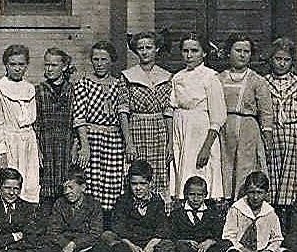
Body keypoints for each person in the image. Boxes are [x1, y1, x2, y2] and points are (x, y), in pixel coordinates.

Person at [73, 41, 131, 212]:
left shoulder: (119, 83)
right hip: (91, 138)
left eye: (104, 59)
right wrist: (84, 146)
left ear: (111, 61)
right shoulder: (84, 83)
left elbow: (123, 113)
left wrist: (127, 143)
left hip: (114, 140)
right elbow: (79, 117)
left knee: (112, 183)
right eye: (96, 59)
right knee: (91, 183)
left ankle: (108, 225)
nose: (99, 64)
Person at [168, 34, 227, 201]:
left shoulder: (211, 77)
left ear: (204, 53)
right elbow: (173, 106)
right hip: (181, 130)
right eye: (185, 51)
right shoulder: (177, 77)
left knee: (201, 171)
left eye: (194, 51)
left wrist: (206, 147)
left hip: (201, 133)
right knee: (182, 171)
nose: (189, 55)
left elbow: (218, 117)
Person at [216, 34, 274, 200]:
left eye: (246, 51)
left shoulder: (257, 80)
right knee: (225, 165)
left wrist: (267, 135)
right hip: (224, 128)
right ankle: (225, 203)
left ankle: (242, 201)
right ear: (229, 52)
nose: (242, 55)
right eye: (238, 50)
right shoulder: (219, 78)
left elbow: (266, 111)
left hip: (248, 128)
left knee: (245, 166)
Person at [265, 38, 297, 212]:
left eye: (286, 60)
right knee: (272, 180)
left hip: (295, 139)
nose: (282, 63)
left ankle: (292, 224)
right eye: (278, 59)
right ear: (271, 59)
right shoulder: (264, 83)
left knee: (293, 183)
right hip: (273, 137)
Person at [122, 31, 173, 202]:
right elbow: (123, 111)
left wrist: (170, 143)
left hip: (158, 130)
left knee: (158, 173)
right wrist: (129, 142)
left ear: (156, 49)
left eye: (148, 48)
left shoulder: (166, 76)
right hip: (137, 128)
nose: (144, 51)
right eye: (140, 48)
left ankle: (158, 213)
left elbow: (168, 111)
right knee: (136, 171)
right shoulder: (127, 76)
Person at [221, 171, 297, 252]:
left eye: (259, 193)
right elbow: (228, 237)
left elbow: (277, 238)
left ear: (266, 193)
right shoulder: (237, 209)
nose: (255, 197)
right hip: (242, 251)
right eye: (252, 192)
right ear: (246, 192)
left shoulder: (269, 212)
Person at [0, 45, 41, 203]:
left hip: (29, 142)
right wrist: (2, 153)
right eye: (13, 64)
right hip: (10, 141)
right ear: (6, 65)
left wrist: (37, 147)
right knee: (9, 182)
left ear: (26, 65)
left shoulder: (30, 88)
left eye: (21, 64)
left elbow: (33, 122)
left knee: (30, 183)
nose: (17, 68)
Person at [106, 160, 173, 252]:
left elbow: (162, 228)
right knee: (108, 239)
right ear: (129, 183)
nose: (138, 188)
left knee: (169, 246)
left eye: (143, 184)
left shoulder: (157, 201)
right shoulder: (123, 200)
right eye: (134, 184)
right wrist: (133, 248)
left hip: (149, 242)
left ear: (150, 183)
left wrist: (150, 247)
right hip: (129, 242)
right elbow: (118, 227)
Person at [35, 48, 77, 209]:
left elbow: (77, 122)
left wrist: (75, 147)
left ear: (64, 66)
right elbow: (36, 124)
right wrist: (37, 149)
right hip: (46, 146)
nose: (49, 69)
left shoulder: (73, 90)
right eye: (47, 65)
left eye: (54, 65)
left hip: (66, 146)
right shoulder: (39, 90)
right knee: (46, 189)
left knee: (66, 185)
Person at [47, 173, 109, 252]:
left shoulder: (94, 204)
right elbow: (53, 231)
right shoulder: (59, 203)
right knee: (48, 249)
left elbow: (95, 233)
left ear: (83, 187)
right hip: (64, 245)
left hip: (85, 245)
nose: (67, 192)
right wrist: (66, 244)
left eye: (71, 187)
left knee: (104, 251)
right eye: (64, 188)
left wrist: (74, 244)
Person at [164, 176, 229, 252]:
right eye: (192, 194)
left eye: (199, 195)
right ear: (185, 194)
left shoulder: (212, 214)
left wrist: (210, 242)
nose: (195, 199)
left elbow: (219, 234)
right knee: (174, 248)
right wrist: (185, 241)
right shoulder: (177, 214)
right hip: (186, 249)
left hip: (205, 250)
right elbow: (172, 235)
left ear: (205, 195)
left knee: (225, 245)